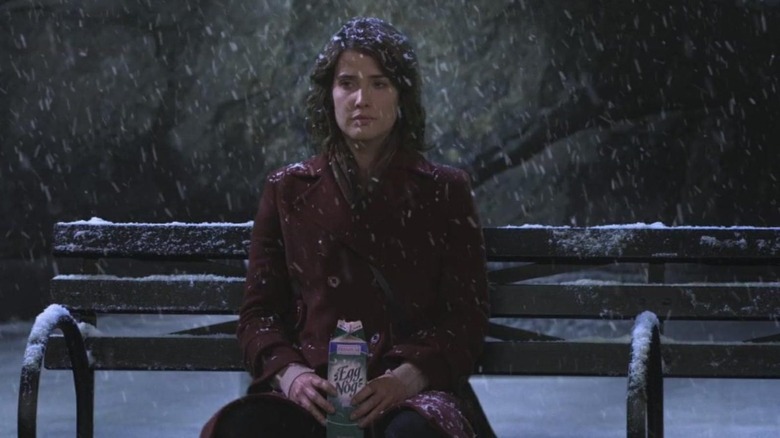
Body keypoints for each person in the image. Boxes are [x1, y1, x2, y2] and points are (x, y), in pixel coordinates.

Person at [201, 16, 489, 438]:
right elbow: (259, 314)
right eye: (347, 83)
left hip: (411, 392)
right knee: (245, 429)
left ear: (401, 97)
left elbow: (466, 316)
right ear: (329, 95)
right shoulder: (287, 190)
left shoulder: (444, 191)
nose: (360, 99)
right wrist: (292, 375)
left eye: (379, 84)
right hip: (314, 391)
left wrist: (408, 377)